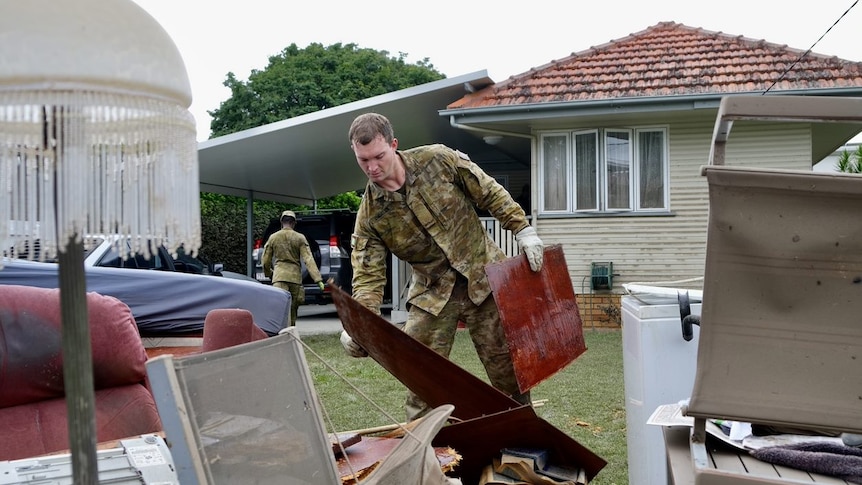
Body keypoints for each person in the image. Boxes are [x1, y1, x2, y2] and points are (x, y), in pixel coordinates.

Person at [339, 112, 545, 421]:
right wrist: (360, 323)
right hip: (434, 293)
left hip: (484, 277)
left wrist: (522, 229)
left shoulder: (438, 160)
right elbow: (368, 276)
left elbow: (487, 191)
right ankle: (425, 452)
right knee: (420, 378)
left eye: (379, 156)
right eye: (363, 160)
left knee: (510, 374)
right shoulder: (371, 215)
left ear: (394, 145)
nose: (373, 168)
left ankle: (524, 443)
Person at [262, 210, 325, 327]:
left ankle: (279, 336)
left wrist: (268, 273)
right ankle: (291, 335)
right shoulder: (300, 238)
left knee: (279, 310)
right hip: (295, 279)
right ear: (294, 223)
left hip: (279, 277)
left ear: (282, 222)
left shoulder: (273, 237)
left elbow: (265, 260)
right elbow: (309, 259)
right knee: (292, 311)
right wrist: (318, 279)